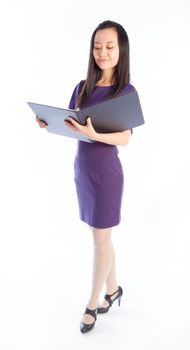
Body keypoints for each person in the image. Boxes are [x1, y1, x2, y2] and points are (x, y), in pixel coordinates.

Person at [36, 20, 136, 334]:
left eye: (109, 46)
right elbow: (71, 126)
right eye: (97, 46)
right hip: (83, 172)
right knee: (102, 236)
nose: (102, 53)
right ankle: (113, 289)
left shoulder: (125, 91)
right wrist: (49, 122)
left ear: (121, 50)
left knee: (99, 239)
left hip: (107, 176)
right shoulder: (82, 87)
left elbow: (126, 138)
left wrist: (95, 133)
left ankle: (92, 305)